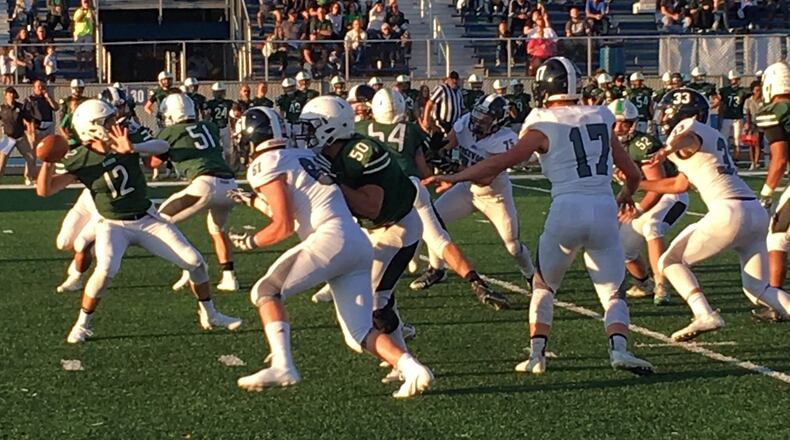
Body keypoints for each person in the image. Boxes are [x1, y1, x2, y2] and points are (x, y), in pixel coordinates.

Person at [425, 56, 654, 375]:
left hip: (566, 209)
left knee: (544, 286)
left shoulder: (542, 122)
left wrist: (453, 177)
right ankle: (619, 349)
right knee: (612, 291)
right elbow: (632, 174)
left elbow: (498, 164)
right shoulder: (601, 116)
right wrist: (625, 195)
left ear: (546, 87)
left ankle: (537, 355)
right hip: (603, 209)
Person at [229, 105, 432, 397]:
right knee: (358, 334)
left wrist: (250, 242)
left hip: (337, 237)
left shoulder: (267, 164)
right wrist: (253, 202)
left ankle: (283, 364)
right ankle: (412, 368)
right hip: (357, 242)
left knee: (265, 291)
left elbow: (283, 225)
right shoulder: (308, 156)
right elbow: (301, 206)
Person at [36, 99, 242, 344]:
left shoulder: (126, 137)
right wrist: (47, 162)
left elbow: (163, 145)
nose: (116, 122)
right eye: (108, 120)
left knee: (195, 262)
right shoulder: (80, 158)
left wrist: (133, 148)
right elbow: (45, 190)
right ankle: (82, 324)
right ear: (93, 127)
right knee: (105, 270)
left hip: (146, 219)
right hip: (112, 224)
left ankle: (210, 315)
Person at [294, 95, 430, 386]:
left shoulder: (359, 152)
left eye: (312, 126)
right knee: (379, 297)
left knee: (375, 304)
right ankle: (399, 348)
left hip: (397, 229)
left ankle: (406, 362)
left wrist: (333, 183)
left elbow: (371, 207)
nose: (306, 133)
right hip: (375, 230)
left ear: (333, 127)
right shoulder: (331, 152)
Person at [643, 88, 790, 339]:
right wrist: (637, 184)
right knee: (757, 288)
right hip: (753, 212)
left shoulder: (687, 127)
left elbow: (687, 137)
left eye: (666, 109)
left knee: (670, 262)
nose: (662, 115)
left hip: (729, 212)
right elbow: (679, 185)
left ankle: (704, 314)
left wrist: (666, 149)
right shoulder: (711, 136)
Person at [359, 89, 509, 309]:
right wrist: (440, 173)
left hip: (376, 192)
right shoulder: (410, 130)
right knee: (439, 240)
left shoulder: (359, 129)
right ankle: (476, 283)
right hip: (410, 187)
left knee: (366, 240)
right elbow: (424, 170)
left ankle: (359, 291)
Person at [426, 94, 536, 288]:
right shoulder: (466, 121)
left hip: (495, 197)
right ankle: (436, 269)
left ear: (498, 121)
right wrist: (438, 150)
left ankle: (531, 275)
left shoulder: (505, 139)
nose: (478, 121)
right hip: (466, 190)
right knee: (434, 220)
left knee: (512, 245)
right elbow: (449, 142)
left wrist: (454, 169)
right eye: (478, 115)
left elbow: (486, 177)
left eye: (486, 118)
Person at [156, 93, 240, 292]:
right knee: (217, 229)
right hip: (230, 185)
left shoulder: (170, 132)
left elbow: (152, 162)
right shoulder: (209, 126)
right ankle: (229, 277)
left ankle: (191, 263)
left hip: (205, 184)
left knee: (159, 220)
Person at [608, 99, 687, 305]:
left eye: (624, 123)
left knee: (652, 226)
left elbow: (657, 186)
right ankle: (645, 284)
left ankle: (662, 285)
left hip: (669, 195)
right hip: (638, 197)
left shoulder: (642, 144)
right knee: (623, 248)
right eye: (614, 123)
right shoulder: (605, 144)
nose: (618, 128)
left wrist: (639, 209)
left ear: (633, 123)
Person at [754, 61, 790, 322]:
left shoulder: (775, 110)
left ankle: (776, 301)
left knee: (776, 235)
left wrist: (766, 194)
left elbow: (779, 159)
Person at [0, 87, 35, 185]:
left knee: (30, 157)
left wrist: (31, 134)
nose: (11, 95)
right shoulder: (2, 108)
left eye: (13, 93)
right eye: (9, 93)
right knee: (1, 161)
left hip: (20, 137)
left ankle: (29, 178)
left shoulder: (21, 107)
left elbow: (29, 120)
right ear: (5, 95)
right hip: (7, 138)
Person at [22, 79, 59, 160]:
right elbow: (26, 117)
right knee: (34, 153)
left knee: (48, 150)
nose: (40, 88)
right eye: (38, 86)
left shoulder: (47, 99)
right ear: (34, 88)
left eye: (42, 86)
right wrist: (31, 131)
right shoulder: (29, 100)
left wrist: (48, 98)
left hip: (48, 128)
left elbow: (56, 108)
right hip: (36, 129)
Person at [718, 70, 750, 161]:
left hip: (737, 118)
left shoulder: (742, 91)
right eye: (733, 80)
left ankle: (736, 158)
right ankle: (723, 157)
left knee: (737, 139)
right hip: (727, 117)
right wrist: (720, 117)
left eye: (736, 79)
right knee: (724, 138)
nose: (734, 81)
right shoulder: (725, 91)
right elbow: (722, 105)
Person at [204, 82, 235, 164]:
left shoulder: (229, 103)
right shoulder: (210, 103)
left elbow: (232, 116)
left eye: (221, 91)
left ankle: (228, 165)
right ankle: (217, 164)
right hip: (215, 128)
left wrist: (233, 128)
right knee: (215, 148)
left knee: (227, 150)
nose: (219, 94)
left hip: (225, 127)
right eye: (217, 92)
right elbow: (207, 116)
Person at [743, 81, 763, 169]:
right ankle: (752, 162)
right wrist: (747, 123)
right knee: (751, 143)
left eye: (760, 90)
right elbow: (747, 112)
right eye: (757, 90)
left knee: (757, 143)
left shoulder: (763, 100)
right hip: (752, 123)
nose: (759, 92)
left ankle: (756, 162)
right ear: (753, 91)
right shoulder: (749, 101)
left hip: (761, 123)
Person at [72, 0, 95, 72]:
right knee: (78, 51)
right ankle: (79, 65)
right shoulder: (78, 11)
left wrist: (90, 11)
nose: (86, 4)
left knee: (88, 51)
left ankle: (87, 65)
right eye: (85, 2)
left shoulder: (91, 11)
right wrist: (83, 12)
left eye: (87, 2)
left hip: (88, 33)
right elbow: (77, 19)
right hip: (79, 33)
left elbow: (93, 21)